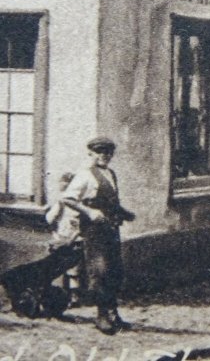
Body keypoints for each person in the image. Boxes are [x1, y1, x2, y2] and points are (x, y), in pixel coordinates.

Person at [62, 137, 135, 335]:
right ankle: (102, 315)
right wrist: (89, 212)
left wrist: (125, 213)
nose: (104, 156)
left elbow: (111, 202)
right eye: (100, 152)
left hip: (111, 227)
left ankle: (113, 313)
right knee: (100, 270)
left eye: (108, 152)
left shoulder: (111, 174)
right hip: (93, 230)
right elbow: (67, 198)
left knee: (114, 271)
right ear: (91, 153)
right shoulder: (85, 175)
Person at [45, 172, 83, 305]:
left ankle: (72, 297)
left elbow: (49, 218)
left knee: (69, 269)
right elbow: (50, 218)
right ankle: (68, 297)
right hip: (68, 239)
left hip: (70, 239)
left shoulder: (67, 202)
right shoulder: (73, 203)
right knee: (70, 269)